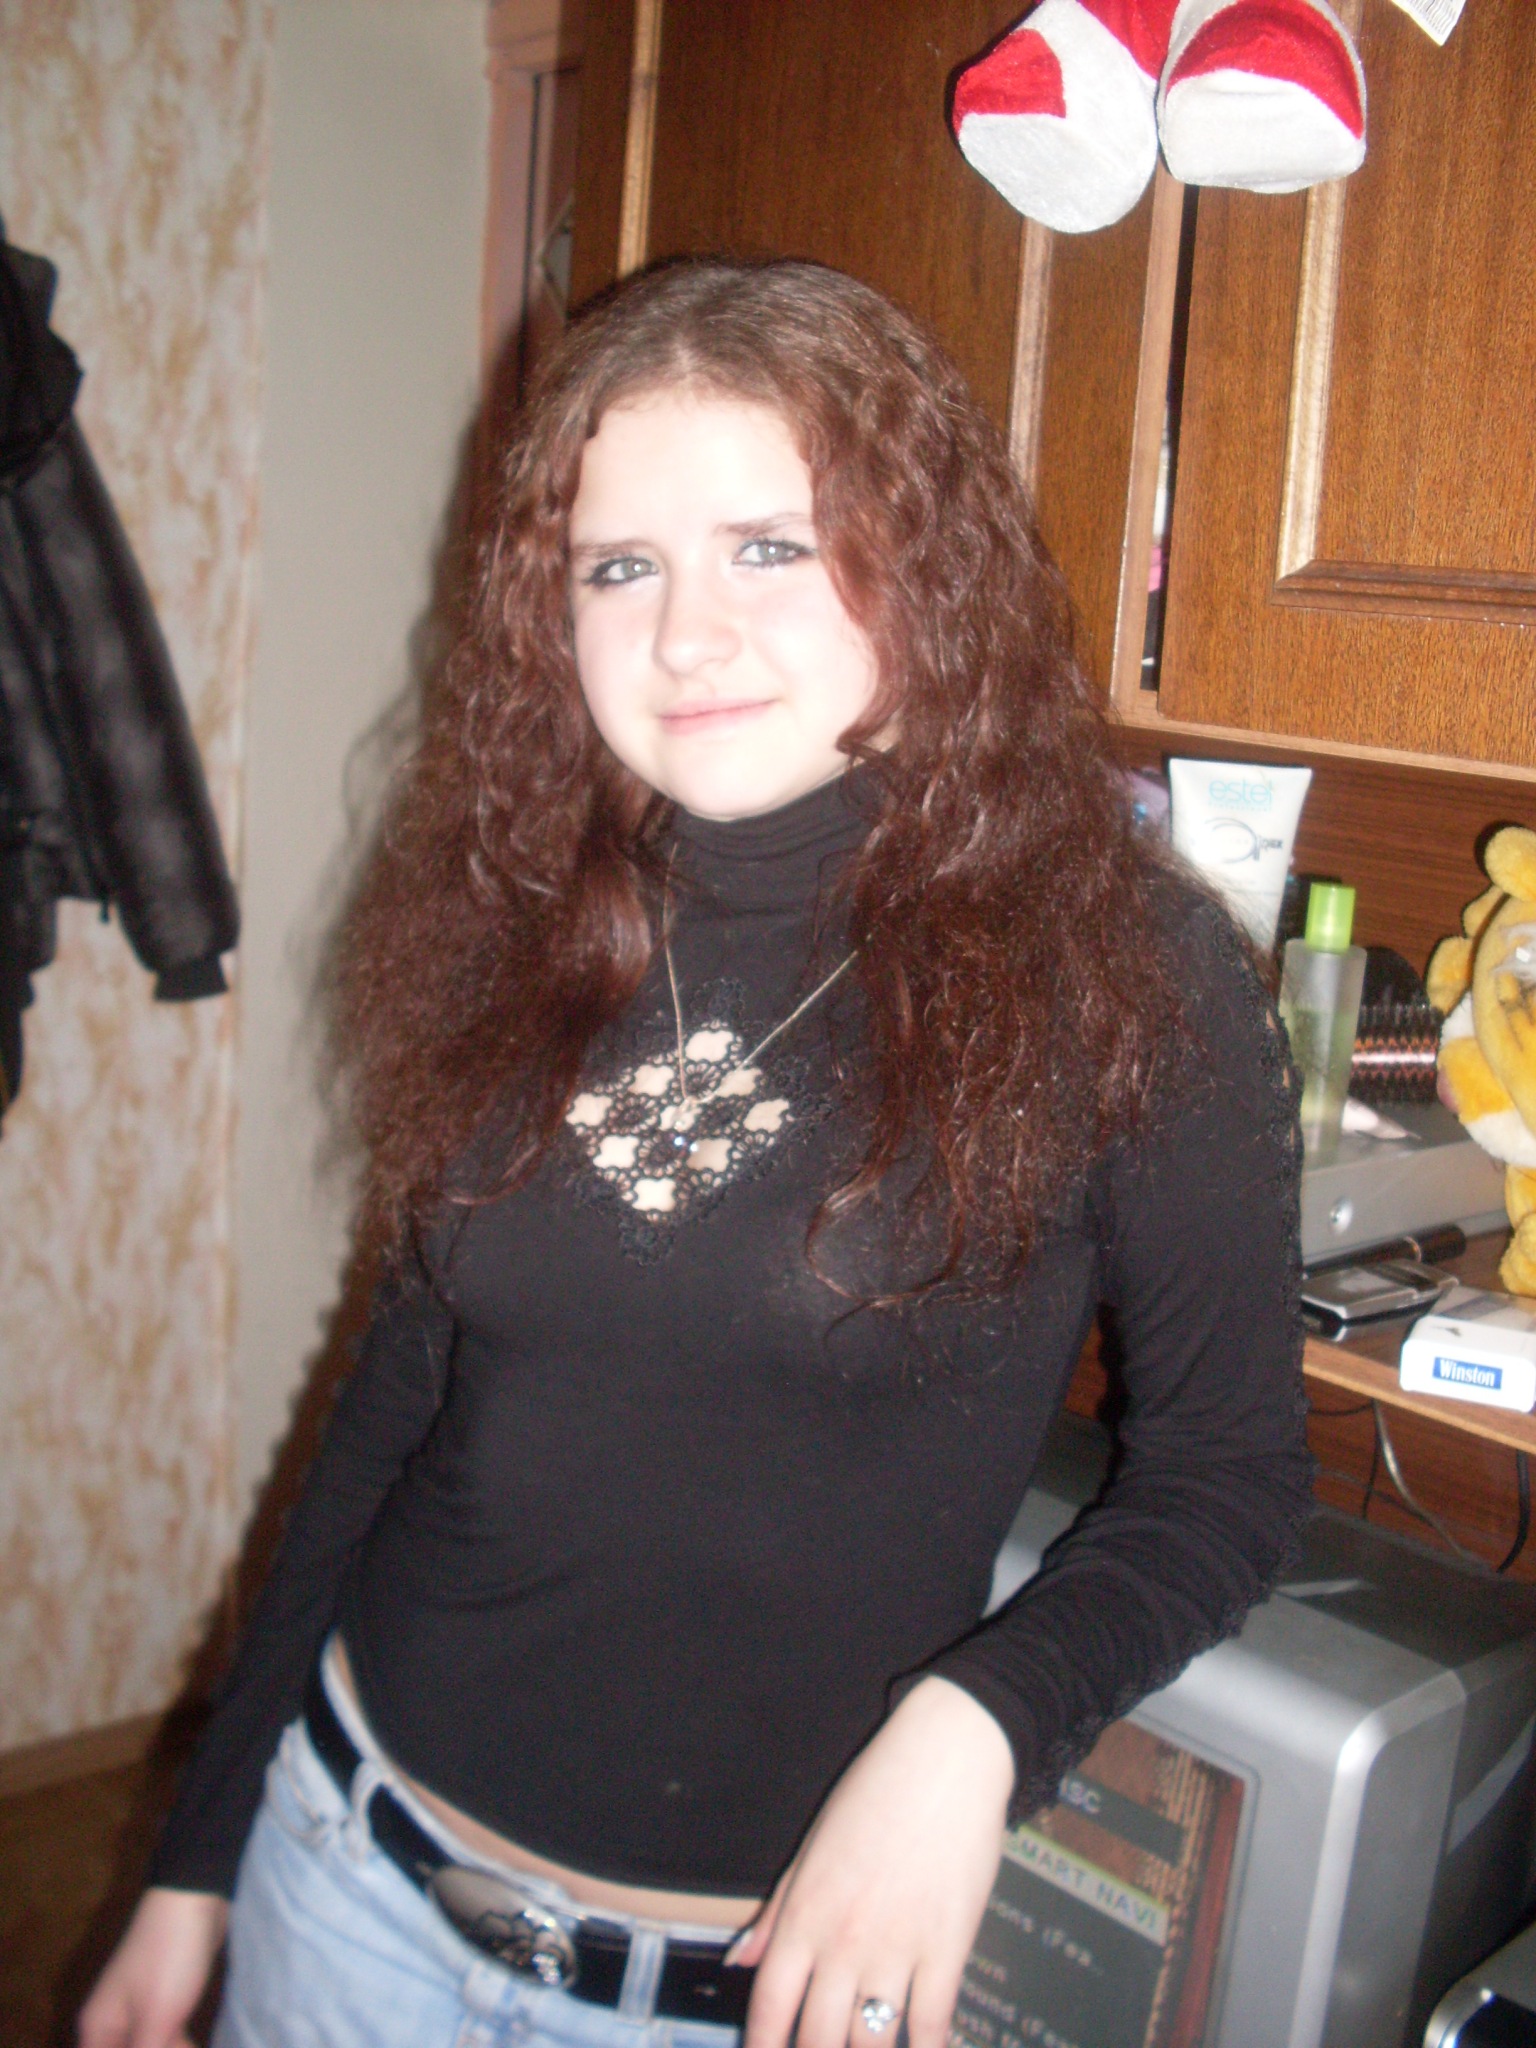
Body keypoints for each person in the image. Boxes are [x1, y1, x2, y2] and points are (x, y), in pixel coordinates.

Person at [80, 258, 1311, 2048]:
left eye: (770, 547)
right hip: (347, 1880)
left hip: (737, 1996)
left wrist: (978, 1727)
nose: (683, 636)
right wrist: (200, 1856)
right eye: (620, 567)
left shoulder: (1119, 961)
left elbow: (1225, 1477)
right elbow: (393, 1410)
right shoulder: (524, 913)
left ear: (927, 563)